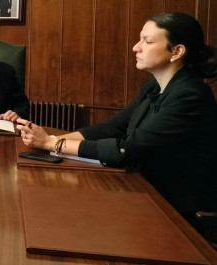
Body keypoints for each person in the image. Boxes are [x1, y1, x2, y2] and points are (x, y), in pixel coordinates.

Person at [18, 12, 217, 232]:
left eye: (147, 41)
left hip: (181, 211)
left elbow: (127, 149)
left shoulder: (190, 96)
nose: (136, 47)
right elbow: (110, 129)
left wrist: (50, 145)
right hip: (147, 191)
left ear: (177, 51)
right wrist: (52, 139)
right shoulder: (152, 87)